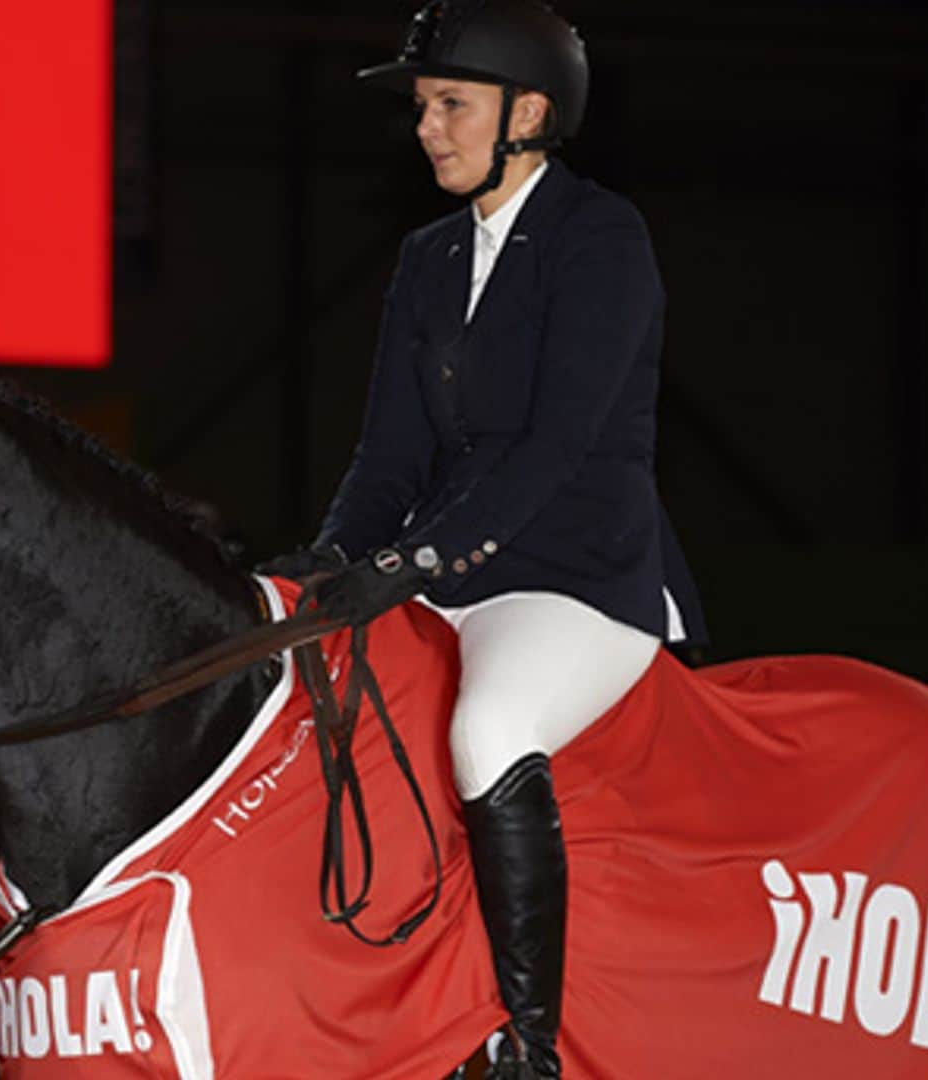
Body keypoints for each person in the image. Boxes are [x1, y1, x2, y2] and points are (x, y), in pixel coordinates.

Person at [259, 1, 707, 1076]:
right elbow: (389, 455)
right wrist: (324, 565)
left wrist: (411, 564)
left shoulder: (599, 237)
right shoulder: (426, 257)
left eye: (450, 105)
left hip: (574, 575)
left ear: (531, 113)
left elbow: (555, 447)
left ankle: (528, 1044)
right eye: (423, 108)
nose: (427, 128)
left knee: (489, 729)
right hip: (450, 561)